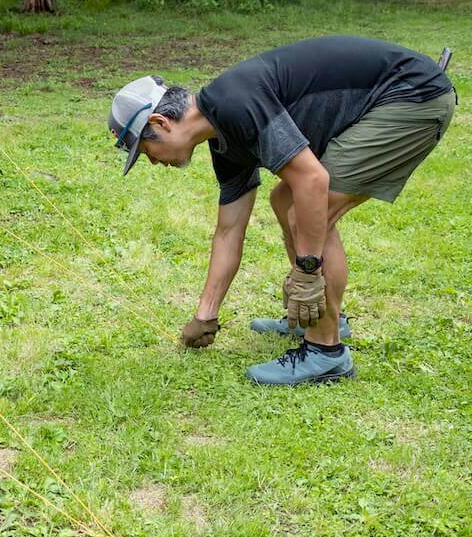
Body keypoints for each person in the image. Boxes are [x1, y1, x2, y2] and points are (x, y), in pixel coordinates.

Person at [108, 36, 456, 385]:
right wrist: (206, 315)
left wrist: (307, 272)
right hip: (398, 94)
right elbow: (229, 230)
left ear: (161, 122)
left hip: (412, 97)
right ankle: (318, 317)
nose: (152, 162)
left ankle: (325, 351)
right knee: (286, 200)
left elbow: (313, 181)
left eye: (146, 150)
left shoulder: (233, 103)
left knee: (308, 206)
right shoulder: (223, 136)